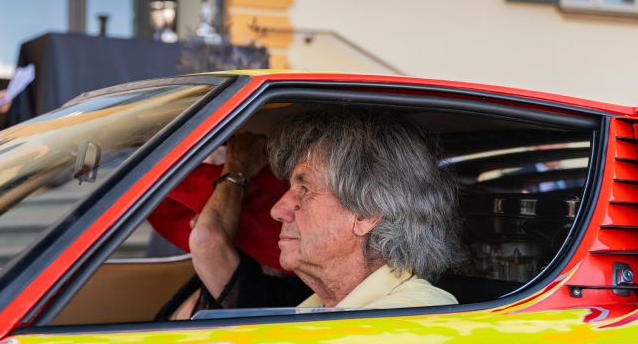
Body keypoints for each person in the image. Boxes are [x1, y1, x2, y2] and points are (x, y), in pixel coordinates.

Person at [267, 109, 462, 310]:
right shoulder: (322, 308)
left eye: (305, 189)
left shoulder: (412, 318)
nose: (278, 210)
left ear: (366, 214)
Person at [154, 133, 309, 320]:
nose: (197, 218)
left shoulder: (280, 295)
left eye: (211, 211)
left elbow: (206, 239)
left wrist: (238, 168)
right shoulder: (231, 262)